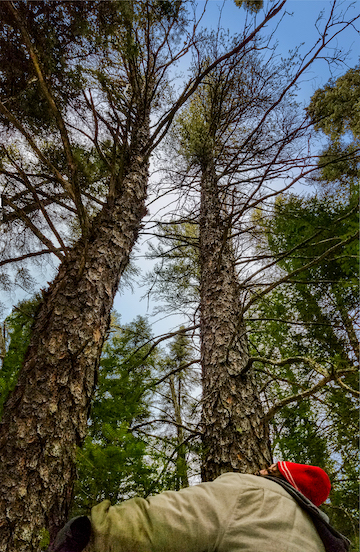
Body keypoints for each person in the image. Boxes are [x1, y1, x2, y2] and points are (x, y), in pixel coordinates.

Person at [50, 461, 350, 552]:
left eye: (267, 469)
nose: (258, 470)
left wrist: (91, 532)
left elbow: (164, 522)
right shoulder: (318, 540)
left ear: (277, 476)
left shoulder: (252, 492)